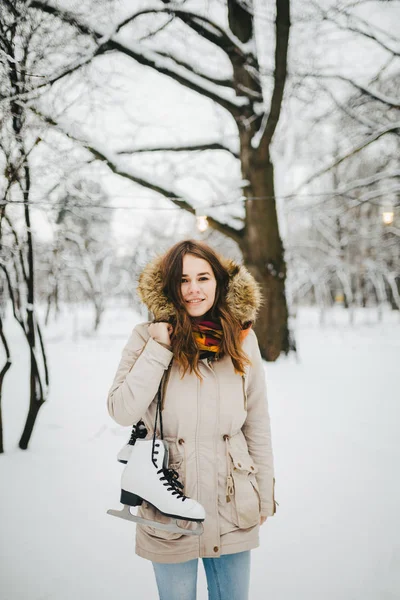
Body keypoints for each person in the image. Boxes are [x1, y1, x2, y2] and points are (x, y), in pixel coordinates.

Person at [107, 239, 277, 600]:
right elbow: (120, 409)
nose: (194, 289)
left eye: (203, 277)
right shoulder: (146, 336)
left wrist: (264, 494)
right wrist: (159, 348)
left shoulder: (242, 339)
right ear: (170, 285)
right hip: (169, 503)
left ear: (219, 282)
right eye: (183, 280)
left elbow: (257, 422)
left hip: (232, 500)